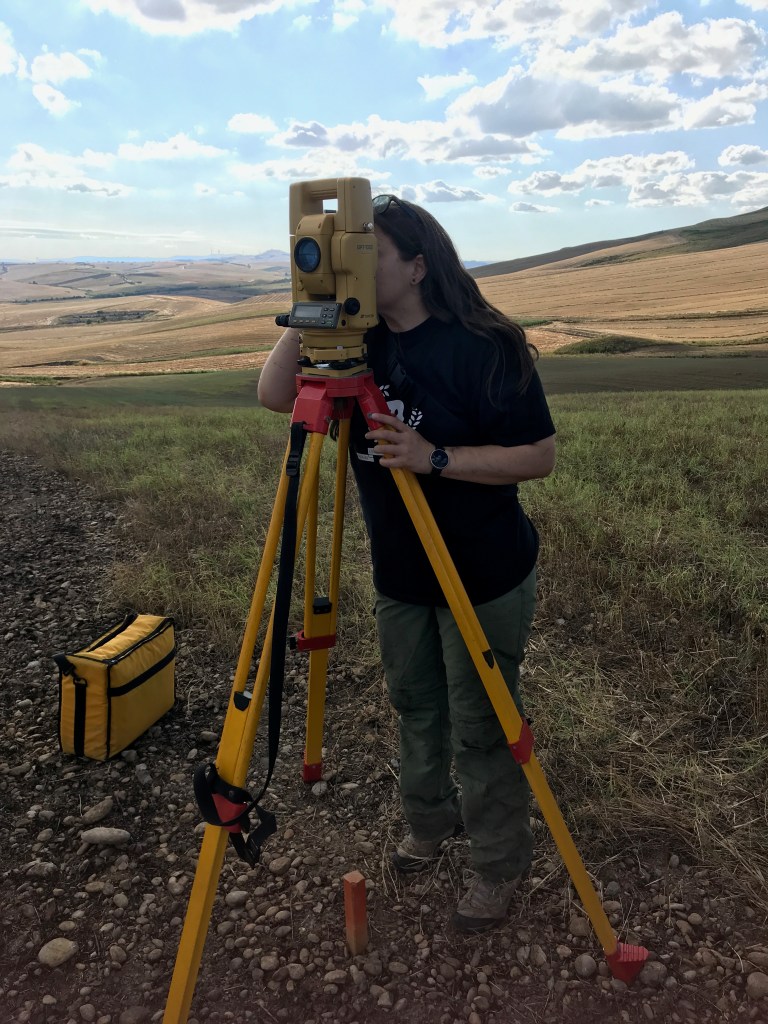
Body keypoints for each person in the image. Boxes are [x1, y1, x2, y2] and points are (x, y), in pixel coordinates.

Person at [257, 194, 556, 932]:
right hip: (402, 574)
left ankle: (497, 864)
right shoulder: (357, 345)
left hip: (482, 572)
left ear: (418, 267)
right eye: (344, 250)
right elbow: (272, 394)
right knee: (415, 706)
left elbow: (539, 456)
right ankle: (429, 822)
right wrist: (313, 303)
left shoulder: (486, 346)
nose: (353, 263)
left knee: (482, 722)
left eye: (370, 252)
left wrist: (434, 458)